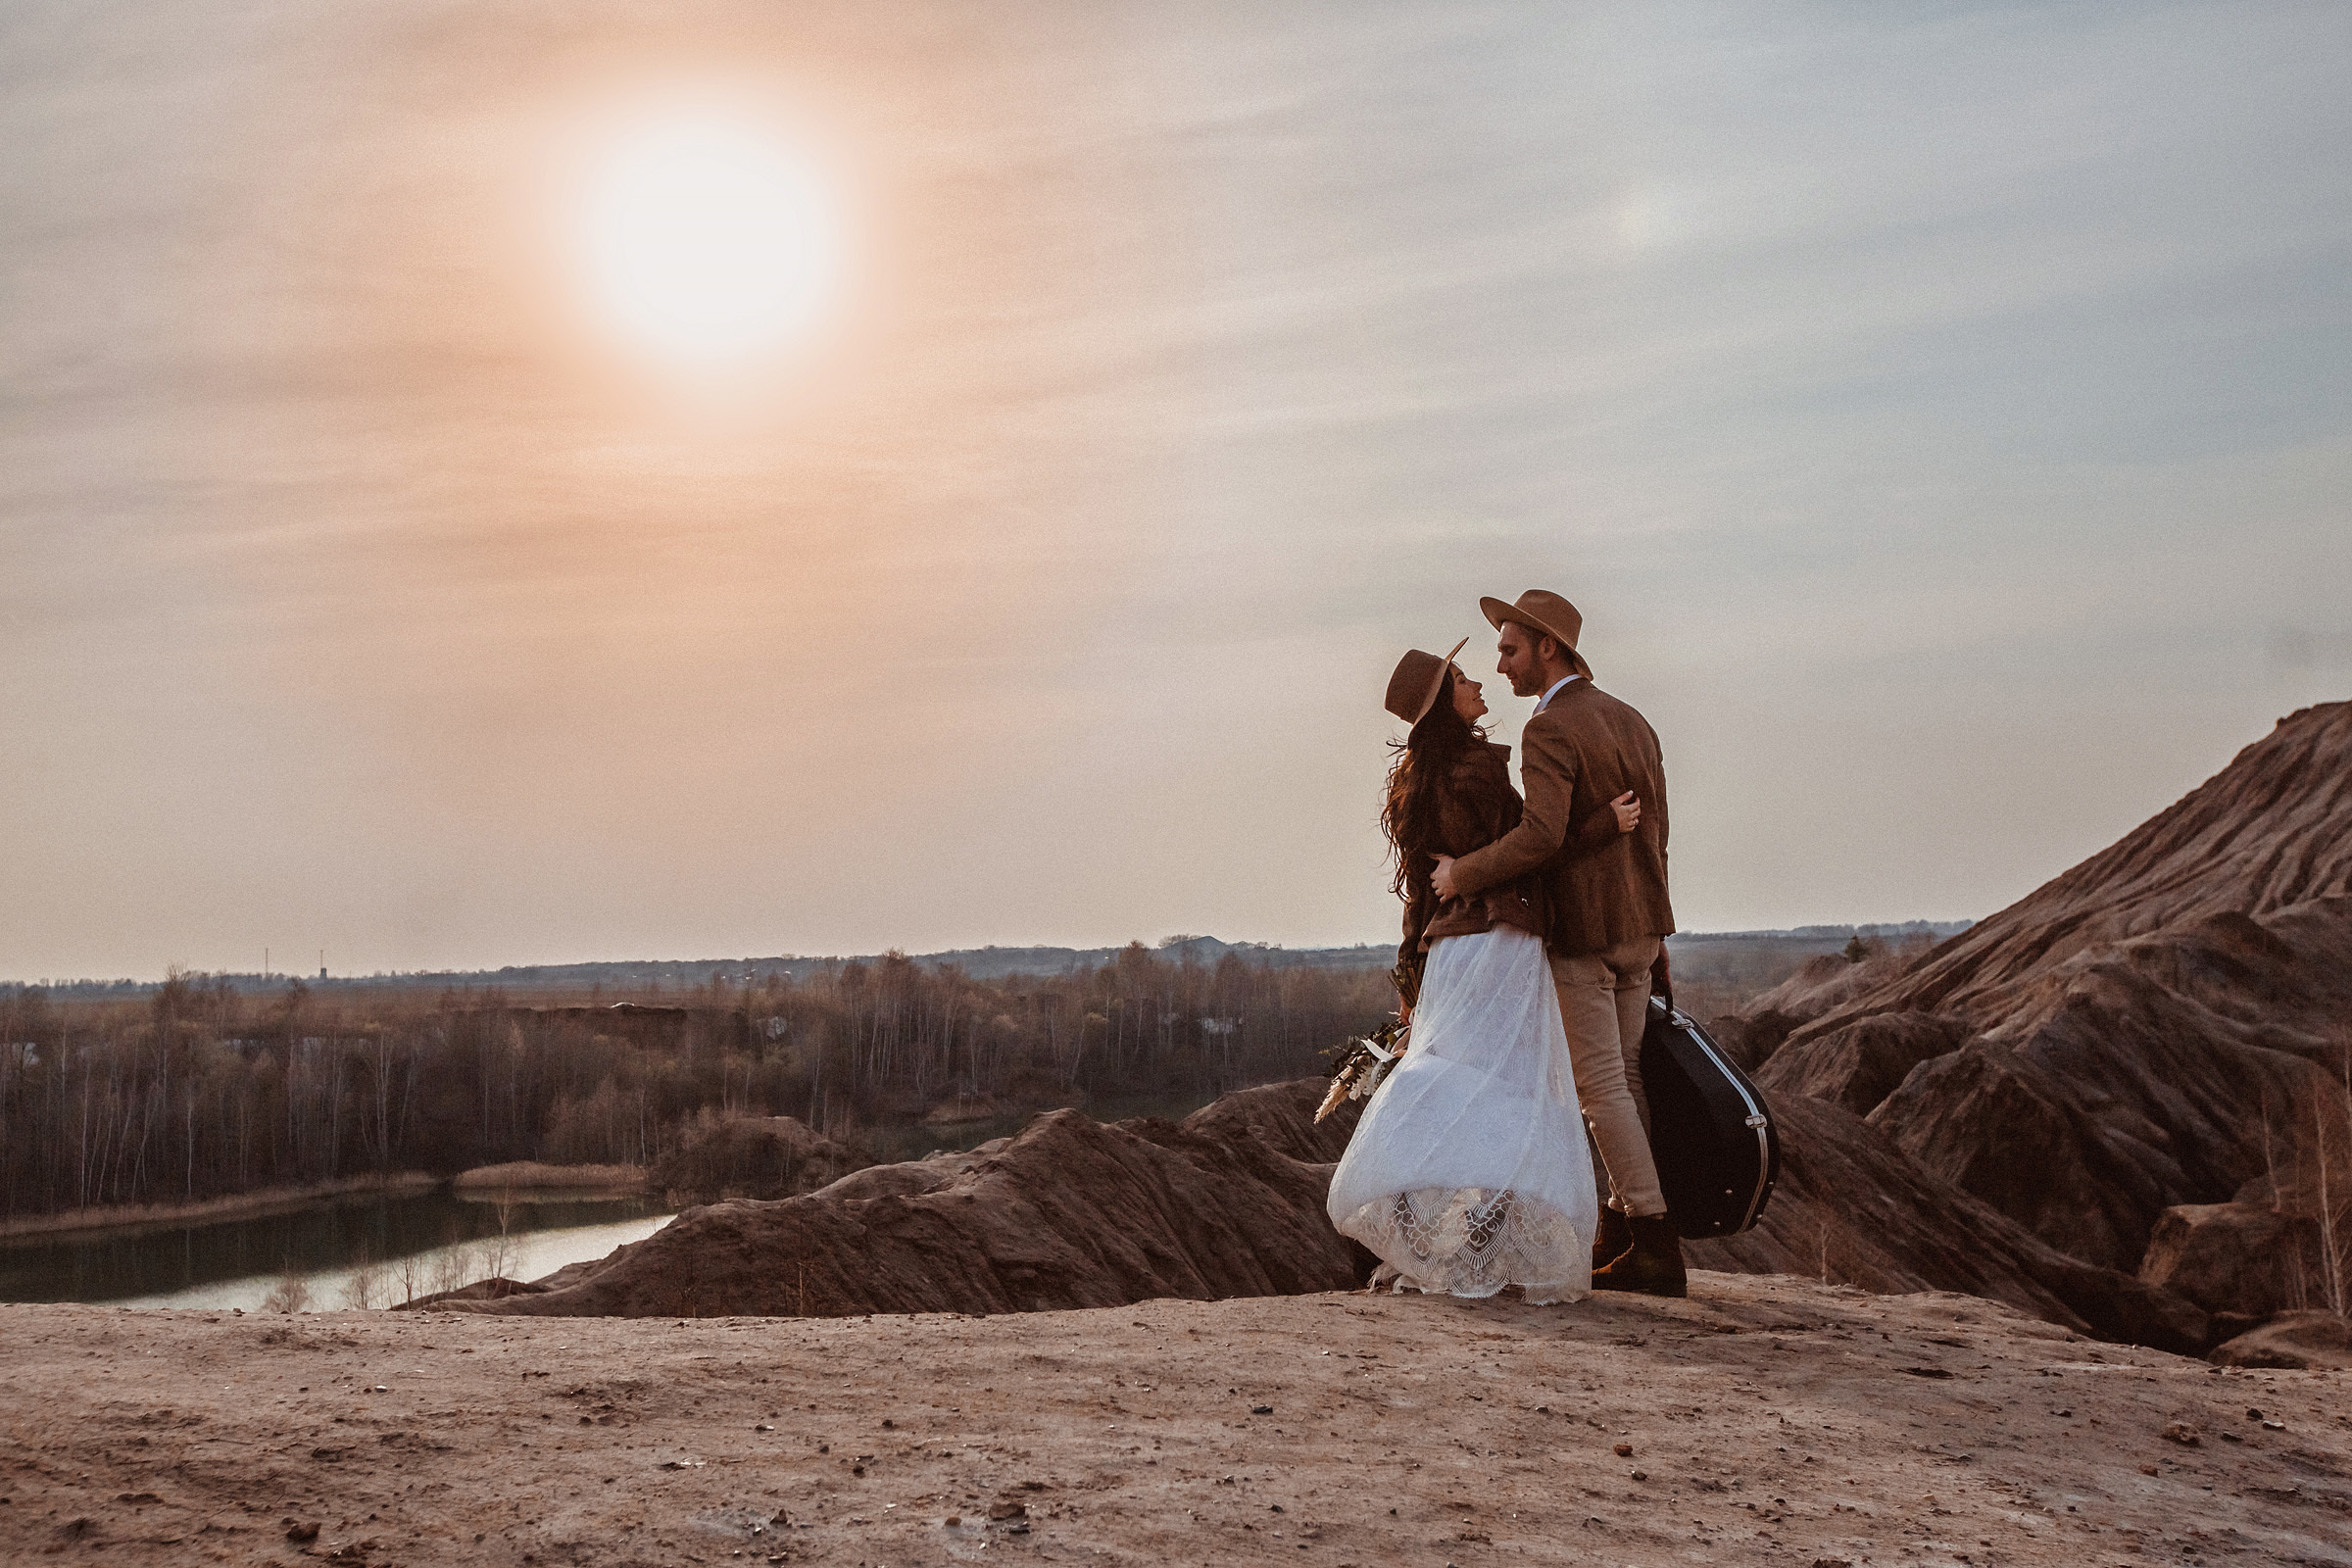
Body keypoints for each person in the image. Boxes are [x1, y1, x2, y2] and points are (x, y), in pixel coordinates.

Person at [1325, 640, 1637, 1303]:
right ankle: (1478, 1234)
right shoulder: (1477, 771)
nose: (1479, 685)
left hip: (1449, 953)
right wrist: (1602, 825)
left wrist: (1411, 979)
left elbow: (1419, 895)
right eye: (1463, 680)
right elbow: (1532, 850)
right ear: (1444, 703)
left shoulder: (1415, 782)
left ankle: (1406, 1215)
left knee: (1449, 1077)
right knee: (1509, 1088)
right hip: (1501, 943)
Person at [1431, 588, 1684, 1297]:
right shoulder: (1632, 720)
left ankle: (1656, 1243)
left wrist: (1461, 874)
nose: (1500, 664)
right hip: (1640, 927)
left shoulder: (1549, 729)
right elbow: (1657, 835)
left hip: (1586, 933)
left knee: (1599, 1088)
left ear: (1548, 647)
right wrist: (1659, 927)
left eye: (1509, 649)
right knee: (1625, 1080)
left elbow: (1540, 837)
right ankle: (1623, 1231)